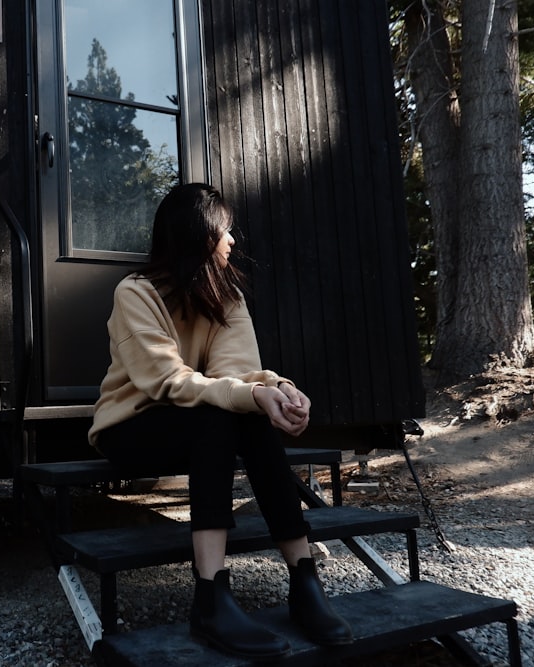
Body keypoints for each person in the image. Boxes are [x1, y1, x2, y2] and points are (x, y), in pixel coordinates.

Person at [88, 183, 353, 659]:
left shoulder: (225, 295)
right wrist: (252, 393)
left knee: (246, 416)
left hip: (198, 420)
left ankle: (304, 580)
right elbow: (166, 380)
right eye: (225, 232)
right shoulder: (135, 292)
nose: (232, 241)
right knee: (219, 414)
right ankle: (210, 595)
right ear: (199, 234)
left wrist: (280, 389)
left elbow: (237, 374)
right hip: (131, 426)